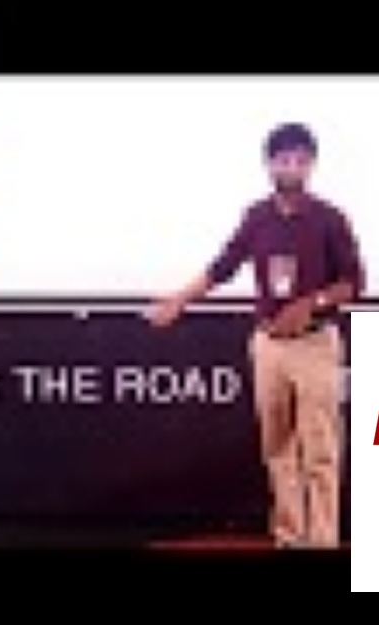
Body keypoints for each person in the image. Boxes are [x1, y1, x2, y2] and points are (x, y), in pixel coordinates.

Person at [146, 122, 365, 549]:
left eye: (300, 160)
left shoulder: (330, 219)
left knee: (320, 452)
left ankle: (322, 542)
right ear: (269, 164)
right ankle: (290, 538)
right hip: (268, 345)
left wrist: (314, 302)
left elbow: (354, 282)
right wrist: (178, 300)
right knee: (278, 448)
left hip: (315, 344)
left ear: (311, 165)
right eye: (284, 160)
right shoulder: (256, 217)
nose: (292, 168)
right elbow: (223, 267)